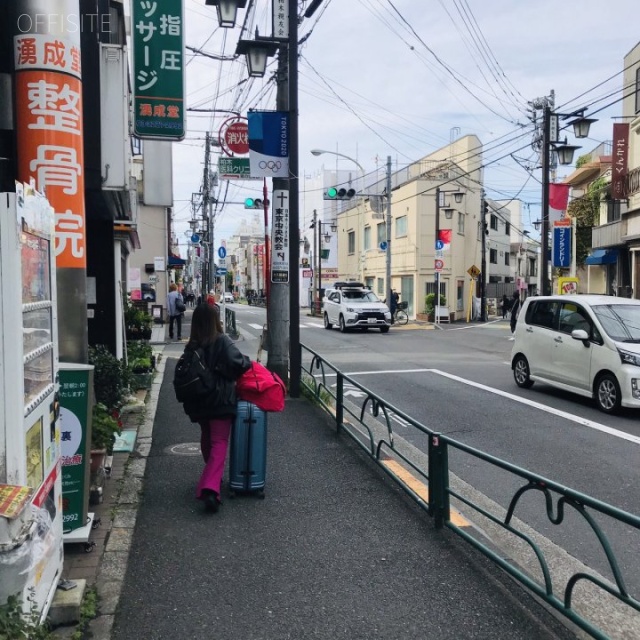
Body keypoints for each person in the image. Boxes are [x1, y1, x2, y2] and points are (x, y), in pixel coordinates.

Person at [183, 304, 251, 512]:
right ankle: (211, 488)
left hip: (198, 400)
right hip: (220, 399)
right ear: (215, 321)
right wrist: (248, 363)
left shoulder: (192, 345)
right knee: (219, 442)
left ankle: (212, 476)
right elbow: (238, 362)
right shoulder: (221, 340)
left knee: (207, 437)